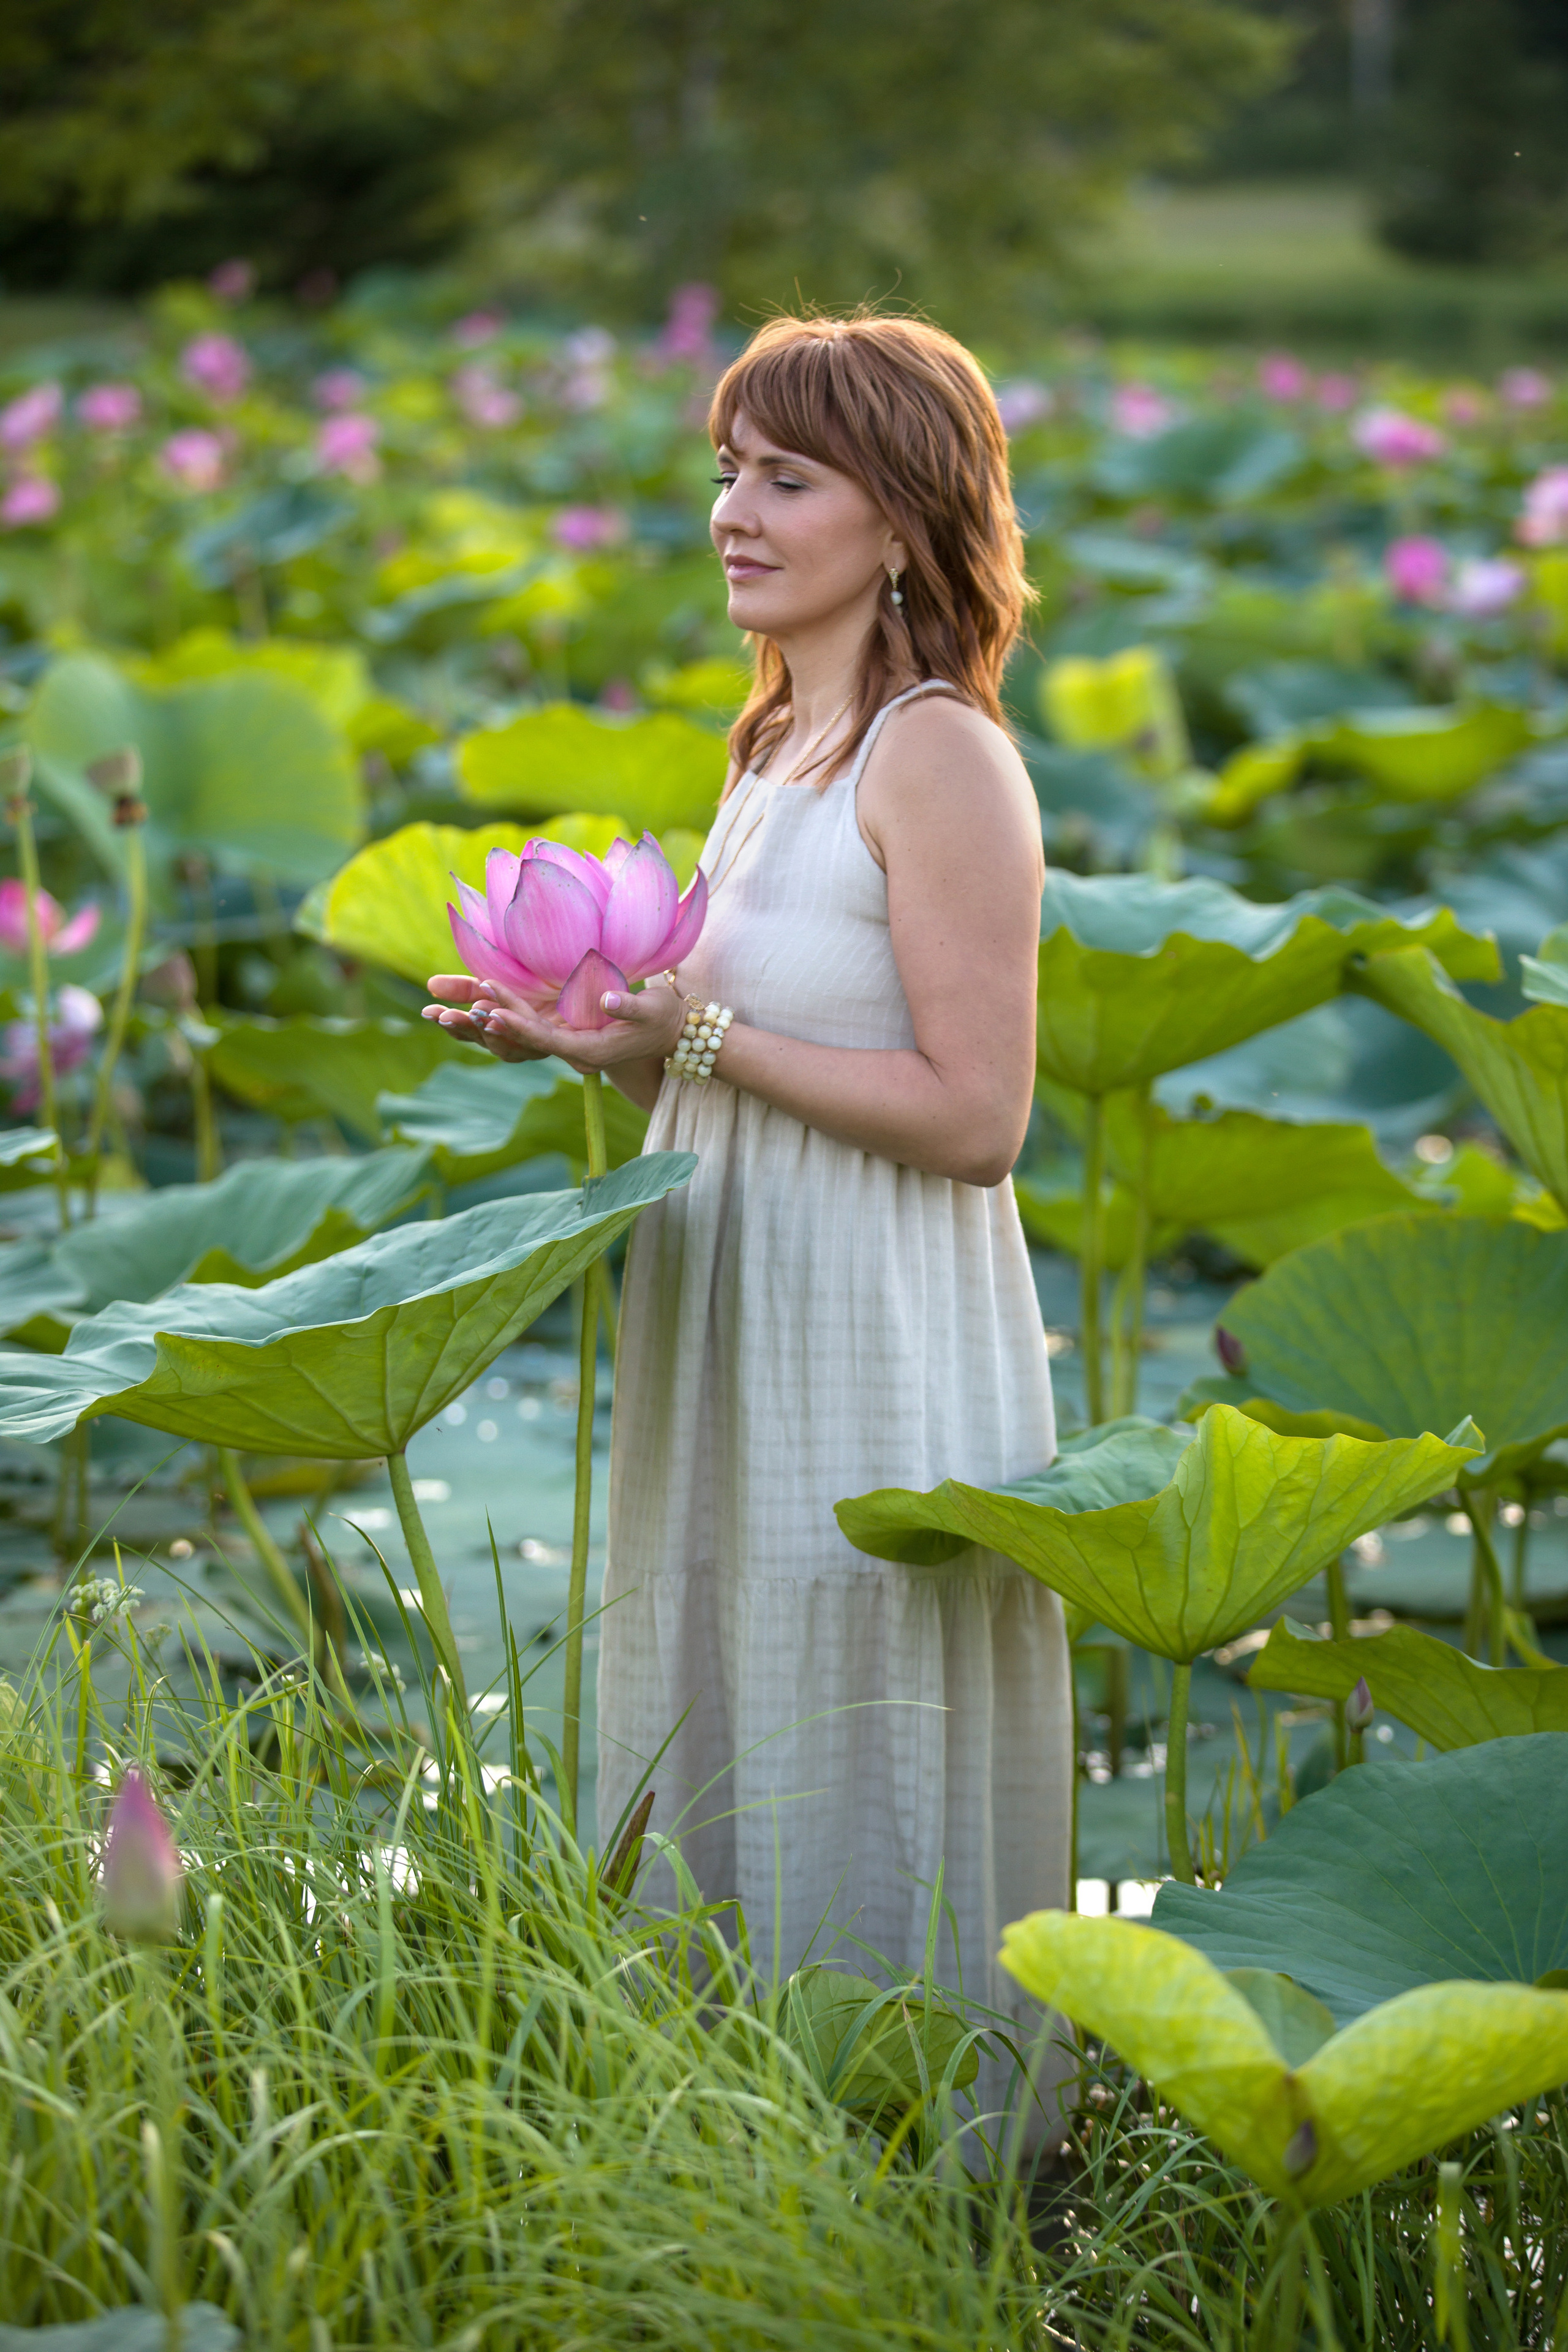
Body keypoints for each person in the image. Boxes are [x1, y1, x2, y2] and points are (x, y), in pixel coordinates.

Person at [426, 311, 1072, 2152]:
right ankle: (742, 2142)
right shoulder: (778, 746)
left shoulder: (936, 757)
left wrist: (692, 1031)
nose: (735, 509)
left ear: (905, 513)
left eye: (787, 476)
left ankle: (930, 2172)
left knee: (854, 1691)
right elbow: (738, 1083)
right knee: (731, 1676)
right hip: (735, 1297)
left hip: (877, 1325)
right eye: (728, 470)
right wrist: (607, 1048)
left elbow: (975, 1117)